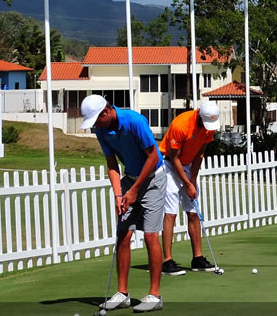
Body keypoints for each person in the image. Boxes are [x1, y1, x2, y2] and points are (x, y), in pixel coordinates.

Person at [81, 94, 166, 312]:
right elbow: (111, 164)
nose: (95, 126)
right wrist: (119, 195)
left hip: (153, 179)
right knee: (123, 235)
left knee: (150, 235)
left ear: (106, 112)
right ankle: (122, 293)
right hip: (129, 179)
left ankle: (155, 295)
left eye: (96, 120)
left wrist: (135, 189)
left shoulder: (134, 121)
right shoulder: (101, 130)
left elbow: (153, 157)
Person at [158, 101, 221, 276]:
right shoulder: (181, 124)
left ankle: (197, 258)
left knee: (193, 212)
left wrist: (192, 181)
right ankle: (167, 261)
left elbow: (200, 154)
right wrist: (187, 183)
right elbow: (174, 158)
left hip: (189, 165)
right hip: (170, 166)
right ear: (199, 115)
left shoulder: (209, 126)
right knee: (170, 213)